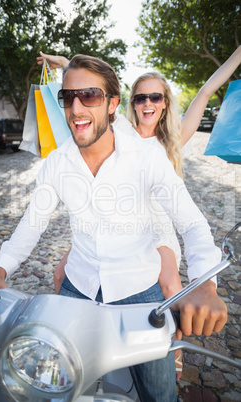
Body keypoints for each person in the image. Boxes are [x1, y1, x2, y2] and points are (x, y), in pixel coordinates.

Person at [0, 54, 227, 402]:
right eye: (68, 97)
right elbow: (31, 224)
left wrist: (204, 283)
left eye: (89, 96)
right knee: (45, 385)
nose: (77, 108)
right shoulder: (56, 164)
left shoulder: (146, 157)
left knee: (161, 393)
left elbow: (192, 223)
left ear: (112, 104)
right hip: (78, 286)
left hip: (142, 292)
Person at [37, 46, 241, 380]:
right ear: (129, 103)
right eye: (140, 98)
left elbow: (206, 90)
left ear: (165, 103)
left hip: (157, 230)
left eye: (155, 98)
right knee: (62, 274)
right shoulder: (122, 134)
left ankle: (166, 359)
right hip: (115, 223)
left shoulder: (174, 139)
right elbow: (91, 89)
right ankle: (87, 349)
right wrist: (63, 63)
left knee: (171, 285)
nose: (147, 104)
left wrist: (237, 55)